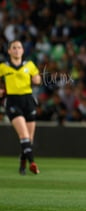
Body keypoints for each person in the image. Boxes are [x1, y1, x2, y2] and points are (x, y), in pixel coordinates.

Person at [0, 40, 41, 175]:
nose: (17, 50)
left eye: (19, 47)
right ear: (9, 51)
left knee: (30, 139)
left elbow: (38, 79)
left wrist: (36, 79)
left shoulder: (29, 65)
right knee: (23, 135)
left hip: (28, 101)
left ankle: (22, 162)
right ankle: (33, 163)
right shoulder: (3, 67)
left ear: (23, 51)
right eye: (14, 48)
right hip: (13, 101)